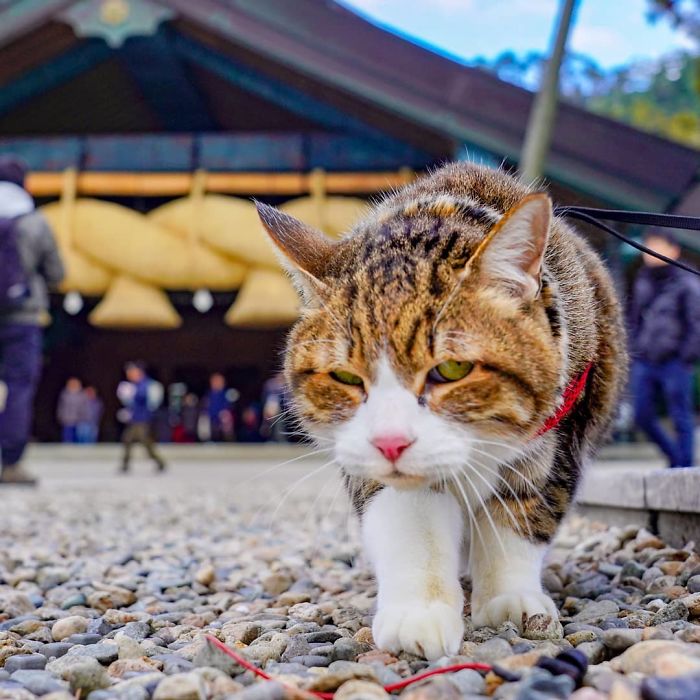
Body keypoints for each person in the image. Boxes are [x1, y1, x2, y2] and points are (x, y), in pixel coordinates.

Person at [0, 157, 64, 484]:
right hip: (22, 316)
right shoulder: (35, 222)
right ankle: (10, 463)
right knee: (19, 387)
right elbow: (57, 273)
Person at [629, 230, 700, 468]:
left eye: (658, 246)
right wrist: (634, 347)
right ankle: (676, 459)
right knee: (641, 414)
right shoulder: (642, 279)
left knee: (681, 416)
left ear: (673, 250)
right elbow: (634, 318)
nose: (652, 253)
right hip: (645, 359)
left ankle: (685, 467)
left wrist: (686, 356)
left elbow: (696, 322)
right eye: (648, 247)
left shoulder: (687, 282)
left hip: (675, 360)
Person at [117, 361, 166, 473]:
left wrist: (131, 394)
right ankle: (126, 464)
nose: (128, 375)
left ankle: (159, 463)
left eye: (130, 372)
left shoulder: (146, 384)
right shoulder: (133, 385)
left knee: (141, 441)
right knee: (130, 440)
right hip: (135, 418)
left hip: (143, 419)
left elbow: (147, 400)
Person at [202, 373, 234, 442]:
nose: (216, 383)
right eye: (214, 381)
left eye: (219, 381)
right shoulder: (208, 395)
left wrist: (225, 414)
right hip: (211, 420)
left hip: (222, 419)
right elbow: (205, 407)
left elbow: (229, 406)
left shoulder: (226, 394)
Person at [57, 377, 84, 443]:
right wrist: (60, 416)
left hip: (78, 421)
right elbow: (61, 407)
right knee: (67, 438)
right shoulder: (64, 395)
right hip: (67, 420)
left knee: (78, 438)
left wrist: (83, 418)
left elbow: (83, 408)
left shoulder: (81, 395)